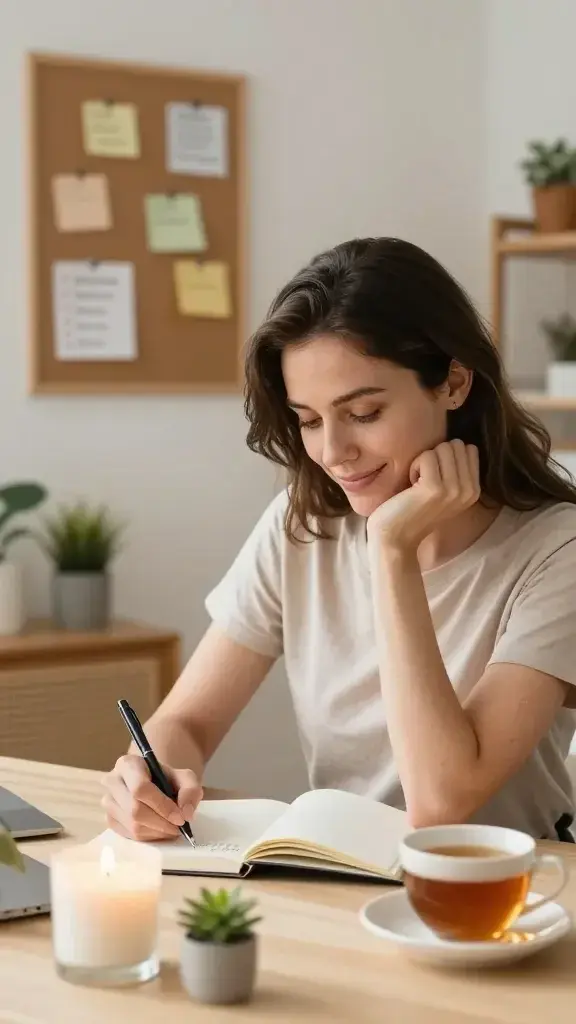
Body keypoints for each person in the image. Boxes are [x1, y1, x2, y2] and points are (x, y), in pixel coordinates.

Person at [103, 237, 576, 843]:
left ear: (454, 383)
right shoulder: (299, 527)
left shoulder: (556, 553)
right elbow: (188, 721)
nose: (333, 452)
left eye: (364, 413)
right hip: (340, 883)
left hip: (503, 902)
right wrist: (149, 774)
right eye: (308, 420)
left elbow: (441, 801)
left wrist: (392, 550)